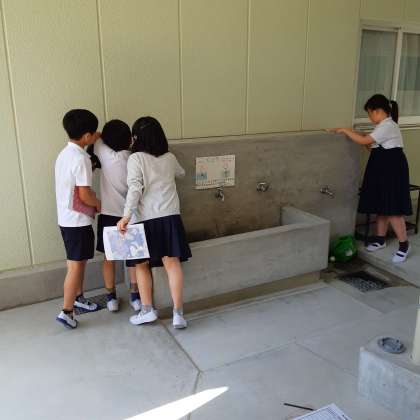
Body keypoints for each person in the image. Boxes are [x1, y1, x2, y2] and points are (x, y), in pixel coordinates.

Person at [117, 116, 192, 328]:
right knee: (172, 263)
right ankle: (178, 314)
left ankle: (147, 310)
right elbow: (182, 173)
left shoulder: (136, 159)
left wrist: (126, 216)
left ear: (136, 138)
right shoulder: (169, 157)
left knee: (141, 265)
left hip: (144, 219)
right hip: (170, 217)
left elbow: (135, 188)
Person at [330, 94, 412, 263]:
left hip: (392, 170)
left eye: (369, 113)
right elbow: (371, 146)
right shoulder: (382, 126)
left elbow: (364, 141)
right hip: (382, 168)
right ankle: (380, 240)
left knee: (393, 209)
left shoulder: (388, 125)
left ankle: (404, 246)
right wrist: (362, 137)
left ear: (378, 111)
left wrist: (346, 130)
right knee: (381, 205)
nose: (369, 117)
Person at [55, 109, 101, 329]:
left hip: (66, 219)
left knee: (78, 262)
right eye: (93, 133)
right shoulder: (81, 159)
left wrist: (97, 135)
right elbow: (84, 195)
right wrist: (98, 203)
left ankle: (78, 298)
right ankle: (66, 311)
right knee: (75, 266)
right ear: (86, 136)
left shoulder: (64, 154)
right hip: (78, 221)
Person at [89, 119, 141, 312]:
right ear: (129, 140)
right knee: (132, 257)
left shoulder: (103, 152)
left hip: (108, 214)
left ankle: (111, 298)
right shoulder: (133, 159)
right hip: (130, 215)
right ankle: (135, 297)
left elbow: (97, 137)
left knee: (109, 259)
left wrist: (103, 136)